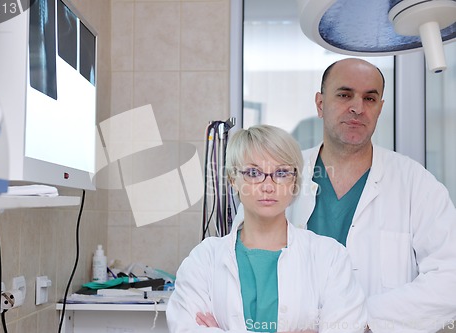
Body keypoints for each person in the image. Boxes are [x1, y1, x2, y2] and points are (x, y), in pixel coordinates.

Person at [234, 58, 456, 333]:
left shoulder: (415, 183)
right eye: (344, 94)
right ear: (320, 104)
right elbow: (238, 265)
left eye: (370, 98)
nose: (357, 108)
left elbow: (450, 277)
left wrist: (359, 320)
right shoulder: (278, 175)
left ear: (380, 108)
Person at [166, 124, 366, 333]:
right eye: (253, 172)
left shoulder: (330, 258)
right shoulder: (204, 259)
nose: (268, 185)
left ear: (294, 182)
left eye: (281, 173)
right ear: (233, 180)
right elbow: (184, 326)